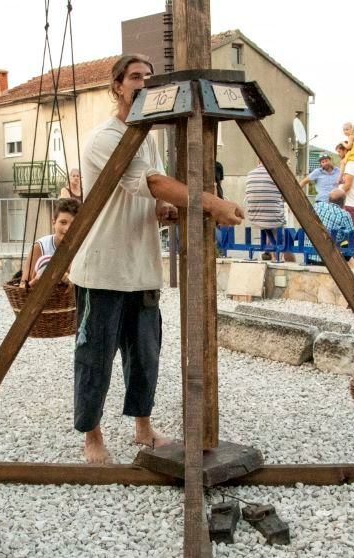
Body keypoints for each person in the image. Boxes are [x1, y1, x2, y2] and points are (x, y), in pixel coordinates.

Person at [69, 54, 243, 464]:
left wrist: (164, 210)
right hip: (103, 269)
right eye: (135, 77)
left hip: (142, 267)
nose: (143, 83)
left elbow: (153, 195)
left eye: (149, 77)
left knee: (145, 355)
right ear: (117, 86)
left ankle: (142, 427)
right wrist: (211, 202)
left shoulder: (146, 139)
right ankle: (92, 435)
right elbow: (149, 182)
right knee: (94, 358)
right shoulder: (106, 138)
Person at [245, 160, 296, 262]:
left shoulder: (250, 174)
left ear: (258, 161)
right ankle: (284, 260)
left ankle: (270, 254)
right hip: (273, 219)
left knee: (271, 232)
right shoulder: (276, 173)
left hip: (254, 219)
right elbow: (286, 195)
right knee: (285, 243)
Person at [20, 198, 79, 286]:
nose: (68, 228)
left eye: (73, 224)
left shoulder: (83, 247)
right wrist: (37, 280)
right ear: (53, 222)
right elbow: (22, 287)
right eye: (63, 222)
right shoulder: (40, 247)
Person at [307, 192, 354, 264]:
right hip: (330, 261)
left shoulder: (317, 206)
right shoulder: (344, 215)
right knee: (352, 243)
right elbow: (351, 237)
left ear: (328, 199)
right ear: (344, 202)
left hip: (309, 256)